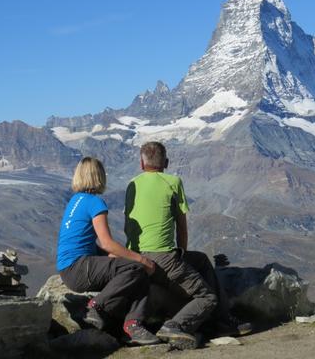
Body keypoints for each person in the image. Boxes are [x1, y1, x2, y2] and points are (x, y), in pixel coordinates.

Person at [56, 156, 160, 346]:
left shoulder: (75, 201)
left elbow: (85, 241)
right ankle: (96, 307)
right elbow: (106, 243)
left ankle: (133, 326)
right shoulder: (94, 202)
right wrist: (141, 259)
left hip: (69, 269)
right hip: (80, 268)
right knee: (136, 269)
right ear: (99, 176)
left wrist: (111, 258)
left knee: (137, 276)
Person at [124, 141, 218, 347]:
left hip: (135, 257)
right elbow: (181, 227)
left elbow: (128, 226)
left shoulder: (132, 184)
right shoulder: (173, 181)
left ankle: (222, 320)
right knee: (208, 297)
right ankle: (176, 326)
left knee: (201, 259)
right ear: (166, 162)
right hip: (163, 257)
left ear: (142, 163)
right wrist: (181, 255)